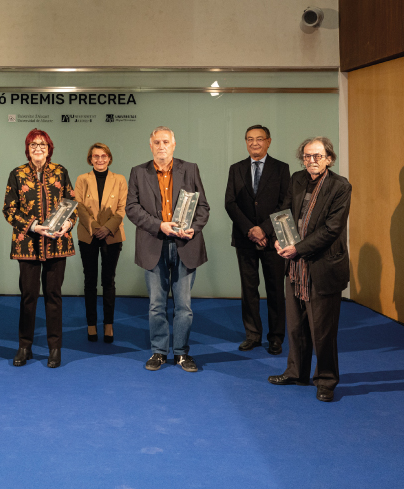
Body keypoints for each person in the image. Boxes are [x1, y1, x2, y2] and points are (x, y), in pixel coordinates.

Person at [268, 137, 351, 402]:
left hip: (323, 267)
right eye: (306, 156)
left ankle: (326, 380)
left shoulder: (341, 187)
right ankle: (297, 372)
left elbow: (331, 229)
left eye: (316, 156)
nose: (310, 161)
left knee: (322, 332)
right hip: (295, 266)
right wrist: (279, 238)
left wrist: (298, 248)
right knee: (295, 326)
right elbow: (285, 212)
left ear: (329, 158)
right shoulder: (297, 179)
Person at [125, 126, 210, 372]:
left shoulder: (190, 169)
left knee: (184, 306)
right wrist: (159, 225)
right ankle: (159, 352)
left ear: (174, 145)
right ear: (150, 145)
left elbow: (203, 206)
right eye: (157, 142)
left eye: (166, 142)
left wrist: (194, 227)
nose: (161, 146)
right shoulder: (138, 172)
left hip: (186, 244)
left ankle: (182, 353)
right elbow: (132, 208)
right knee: (156, 305)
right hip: (154, 244)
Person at [2, 128, 77, 368]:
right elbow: (9, 210)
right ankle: (25, 346)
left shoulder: (60, 172)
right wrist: (33, 226)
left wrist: (68, 223)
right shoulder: (17, 174)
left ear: (49, 148)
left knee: (54, 296)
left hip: (57, 243)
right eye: (33, 144)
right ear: (27, 148)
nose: (38, 148)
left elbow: (71, 204)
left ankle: (55, 348)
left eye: (42, 144)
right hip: (28, 244)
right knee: (28, 297)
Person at [224, 125, 290, 355]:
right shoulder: (236, 169)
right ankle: (252, 335)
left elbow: (286, 203)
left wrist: (264, 230)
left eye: (259, 139)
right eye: (250, 139)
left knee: (275, 289)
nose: (254, 143)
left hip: (274, 240)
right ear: (245, 142)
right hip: (245, 239)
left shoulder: (281, 168)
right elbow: (230, 203)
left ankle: (276, 337)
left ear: (268, 142)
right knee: (249, 289)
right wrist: (250, 230)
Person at [74, 143, 127, 343]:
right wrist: (96, 227)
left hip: (112, 235)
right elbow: (78, 206)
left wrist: (107, 228)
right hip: (88, 235)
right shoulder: (82, 179)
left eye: (103, 156)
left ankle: (108, 324)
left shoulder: (120, 179)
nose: (100, 160)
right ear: (90, 159)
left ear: (109, 158)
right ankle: (91, 324)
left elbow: (122, 209)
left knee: (108, 281)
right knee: (90, 281)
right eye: (96, 156)